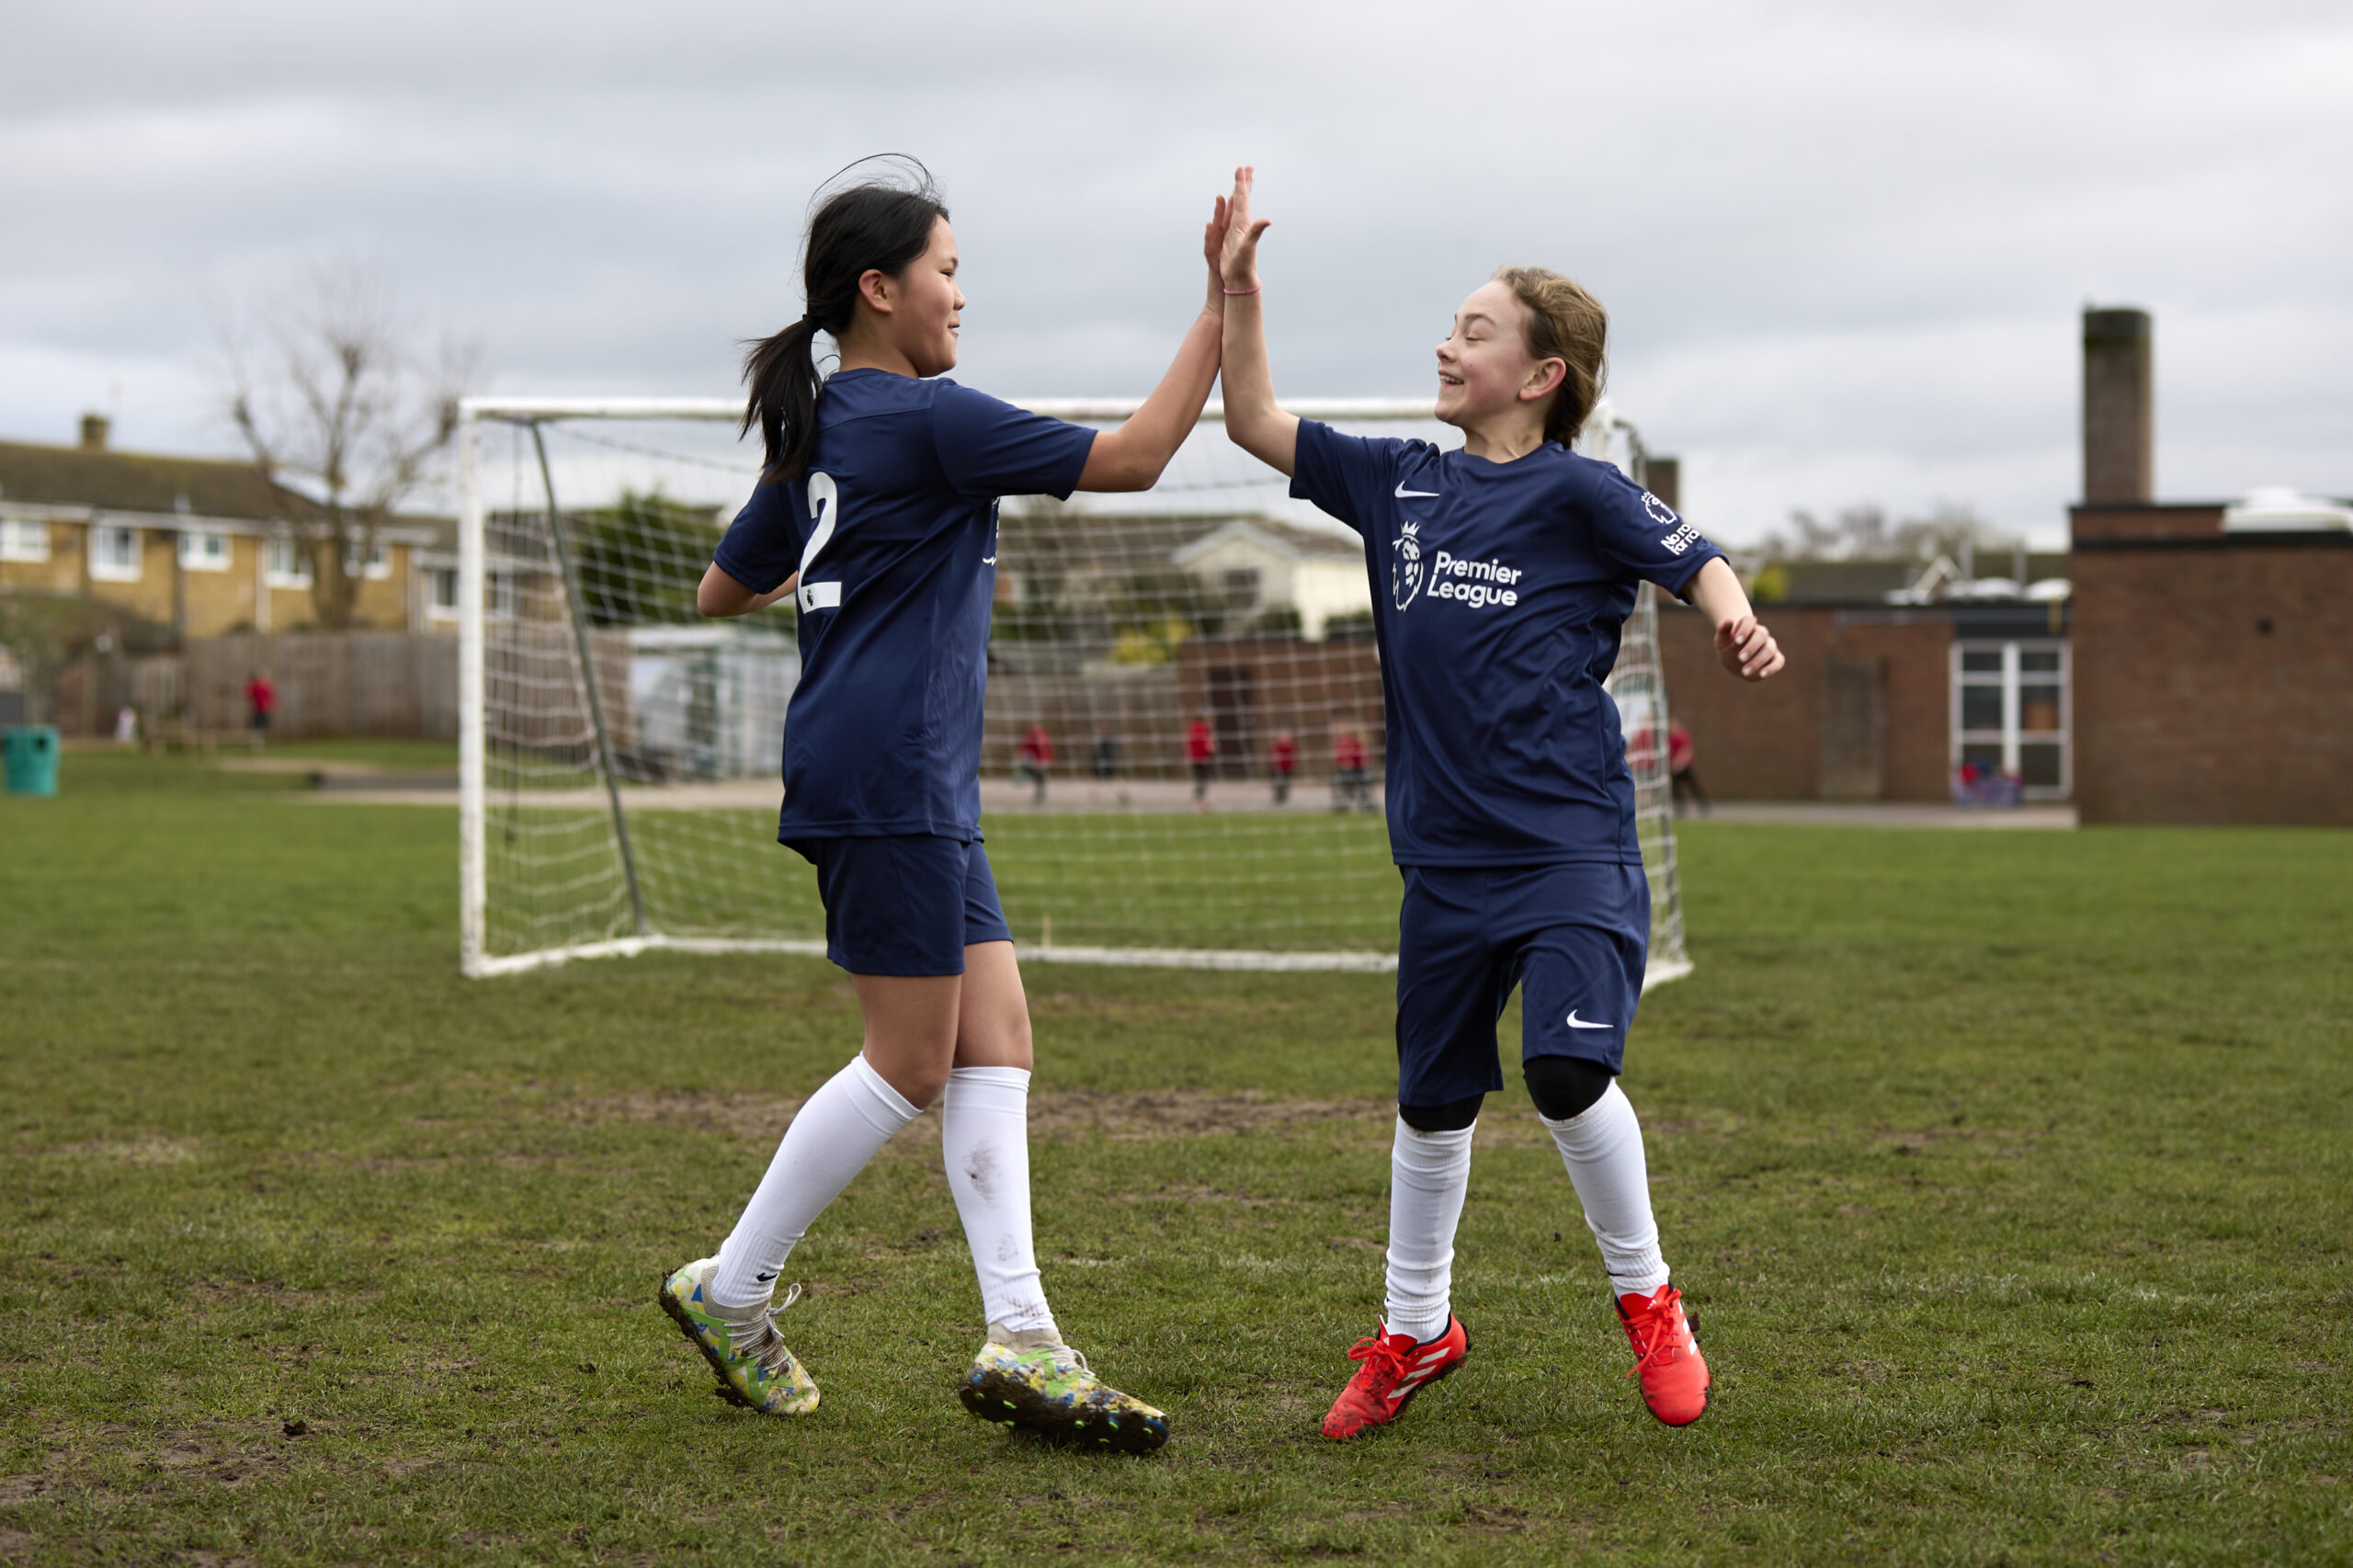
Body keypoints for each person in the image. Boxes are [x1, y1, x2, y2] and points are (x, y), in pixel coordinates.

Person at [667, 160, 1237, 1455]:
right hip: (890, 772)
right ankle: (733, 1286)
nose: (961, 294)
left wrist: (847, 573)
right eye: (948, 268)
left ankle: (1022, 1333)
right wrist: (1221, 304)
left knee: (998, 1037)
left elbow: (718, 589)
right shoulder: (927, 419)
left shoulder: (830, 430)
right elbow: (1138, 457)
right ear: (880, 288)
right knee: (913, 1059)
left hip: (894, 769)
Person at [1213, 167, 1785, 1438]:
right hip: (1444, 863)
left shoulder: (1578, 491)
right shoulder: (1397, 482)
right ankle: (1416, 1333)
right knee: (1431, 1103)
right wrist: (1239, 290)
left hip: (1572, 846)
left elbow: (1696, 557)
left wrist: (1737, 621)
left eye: (1474, 330)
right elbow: (1250, 417)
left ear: (1540, 376)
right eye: (1451, 324)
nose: (1445, 342)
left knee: (1570, 1071)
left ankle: (1650, 1301)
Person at [1667, 721, 1708, 816]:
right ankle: (1680, 808)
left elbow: (1686, 751)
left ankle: (1703, 805)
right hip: (1675, 768)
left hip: (1686, 767)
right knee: (1676, 788)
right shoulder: (1670, 738)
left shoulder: (1682, 736)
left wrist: (1678, 763)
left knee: (1693, 786)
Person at [1330, 723, 1370, 813]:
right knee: (1344, 787)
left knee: (1360, 787)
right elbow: (1340, 756)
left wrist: (1351, 763)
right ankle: (1343, 804)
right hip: (1346, 770)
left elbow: (1358, 756)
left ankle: (1366, 804)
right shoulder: (1341, 743)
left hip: (1356, 769)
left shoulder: (1354, 743)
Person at [1014, 722, 1054, 806]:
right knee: (1037, 780)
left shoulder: (1044, 735)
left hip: (1041, 763)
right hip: (1033, 763)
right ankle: (1021, 779)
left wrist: (1047, 760)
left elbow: (1047, 749)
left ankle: (1039, 799)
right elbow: (1026, 748)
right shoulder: (1031, 736)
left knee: (1041, 782)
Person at [1184, 710, 1217, 810]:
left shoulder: (1191, 729)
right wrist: (1211, 751)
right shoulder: (1204, 729)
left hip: (1194, 758)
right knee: (1203, 779)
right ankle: (1201, 801)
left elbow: (1188, 744)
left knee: (1198, 779)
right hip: (1203, 758)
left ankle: (1198, 800)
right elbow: (1208, 744)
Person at [244, 667, 275, 744]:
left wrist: (270, 705)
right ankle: (256, 743)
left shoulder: (265, 687)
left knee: (262, 727)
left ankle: (259, 742)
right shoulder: (256, 687)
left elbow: (269, 697)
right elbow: (248, 693)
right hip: (257, 709)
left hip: (263, 709)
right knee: (256, 727)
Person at [1268, 728, 1298, 806]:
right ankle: (1277, 799)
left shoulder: (1291, 746)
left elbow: (1293, 757)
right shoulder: (1276, 745)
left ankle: (1285, 799)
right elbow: (1272, 755)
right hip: (1277, 769)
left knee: (1286, 784)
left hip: (1287, 769)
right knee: (1277, 784)